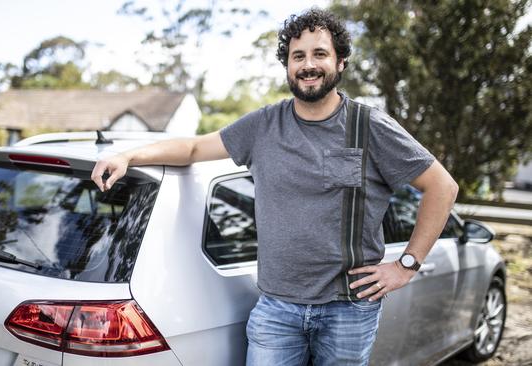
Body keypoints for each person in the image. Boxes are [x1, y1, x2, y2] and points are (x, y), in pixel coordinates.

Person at [91, 7, 458, 366]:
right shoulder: (264, 125)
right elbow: (192, 147)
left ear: (340, 62)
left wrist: (407, 264)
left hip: (348, 310)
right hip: (276, 310)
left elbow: (442, 187)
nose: (308, 65)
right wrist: (128, 157)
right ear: (287, 65)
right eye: (298, 56)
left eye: (320, 54)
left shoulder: (369, 126)